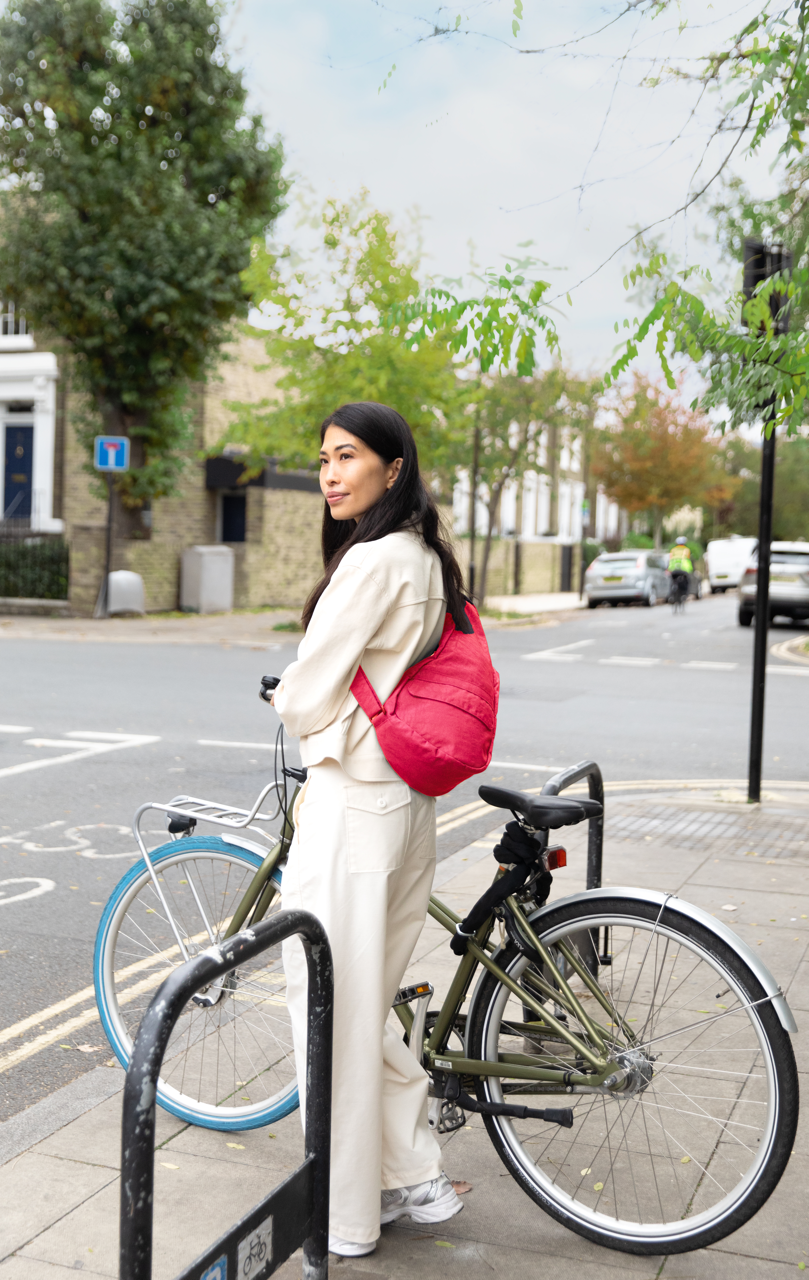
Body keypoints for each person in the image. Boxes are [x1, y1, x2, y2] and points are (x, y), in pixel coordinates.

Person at [271, 402, 468, 1258]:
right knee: (361, 1007)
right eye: (322, 458)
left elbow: (307, 694)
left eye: (347, 457)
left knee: (323, 1005)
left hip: (352, 809)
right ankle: (402, 1179)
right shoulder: (428, 558)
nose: (329, 473)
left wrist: (295, 707)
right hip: (405, 810)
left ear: (393, 468)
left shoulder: (371, 563)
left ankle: (352, 1216)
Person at [667, 536, 694, 602]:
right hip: (683, 569)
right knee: (687, 581)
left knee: (672, 581)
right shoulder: (686, 550)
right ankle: (685, 594)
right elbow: (688, 559)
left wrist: (668, 569)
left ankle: (671, 595)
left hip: (673, 569)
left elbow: (670, 559)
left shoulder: (673, 550)